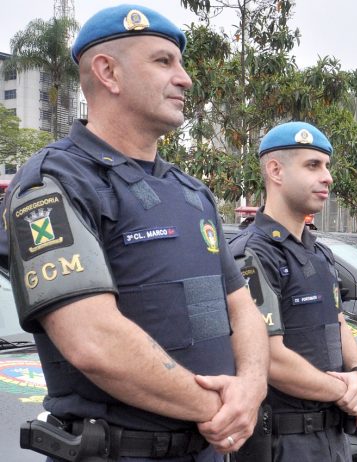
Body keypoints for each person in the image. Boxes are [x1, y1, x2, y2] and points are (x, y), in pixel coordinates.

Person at [0, 5, 269, 461]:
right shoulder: (55, 181)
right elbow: (94, 342)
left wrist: (253, 387)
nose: (184, 78)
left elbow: (243, 309)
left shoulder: (192, 193)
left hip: (210, 449)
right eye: (164, 61)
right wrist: (222, 408)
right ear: (108, 72)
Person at [230, 121, 357, 461]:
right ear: (275, 170)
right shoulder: (253, 254)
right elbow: (267, 357)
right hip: (285, 442)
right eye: (313, 165)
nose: (328, 177)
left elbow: (338, 323)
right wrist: (344, 390)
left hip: (333, 437)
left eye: (326, 166)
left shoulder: (319, 253)